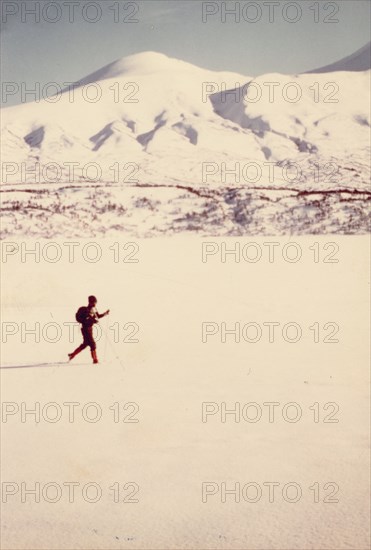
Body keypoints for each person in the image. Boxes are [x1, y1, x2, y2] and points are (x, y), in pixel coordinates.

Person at [68, 296, 110, 364]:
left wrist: (105, 313)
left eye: (95, 302)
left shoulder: (93, 309)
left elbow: (98, 316)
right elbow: (87, 320)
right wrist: (94, 321)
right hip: (85, 329)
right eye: (94, 302)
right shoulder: (85, 310)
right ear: (90, 302)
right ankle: (95, 360)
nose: (95, 304)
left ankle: (72, 354)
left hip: (89, 329)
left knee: (85, 344)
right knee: (92, 344)